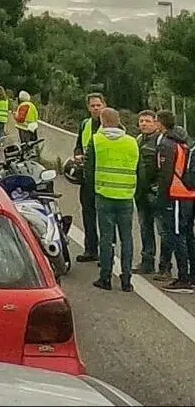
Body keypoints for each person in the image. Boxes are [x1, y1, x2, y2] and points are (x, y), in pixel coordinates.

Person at [85, 107, 138, 292]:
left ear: (102, 121)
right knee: (127, 238)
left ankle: (105, 278)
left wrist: (91, 193)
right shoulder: (132, 142)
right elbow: (139, 168)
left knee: (106, 238)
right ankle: (126, 280)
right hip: (125, 197)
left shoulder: (97, 140)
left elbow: (89, 169)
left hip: (104, 195)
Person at [156, 109, 195, 291]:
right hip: (188, 193)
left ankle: (184, 278)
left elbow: (165, 173)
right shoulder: (184, 140)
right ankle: (191, 275)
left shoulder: (167, 144)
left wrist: (161, 198)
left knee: (177, 235)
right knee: (187, 234)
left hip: (176, 194)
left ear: (161, 123)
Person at [74, 93, 107, 264]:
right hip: (87, 179)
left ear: (104, 106)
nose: (95, 108)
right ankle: (90, 249)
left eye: (98, 105)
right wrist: (77, 156)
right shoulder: (85, 124)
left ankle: (106, 253)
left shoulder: (111, 125)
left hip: (103, 179)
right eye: (93, 105)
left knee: (105, 218)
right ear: (88, 107)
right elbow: (78, 145)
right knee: (88, 215)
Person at [134, 110, 161, 275]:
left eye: (147, 121)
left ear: (155, 123)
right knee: (145, 227)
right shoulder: (137, 140)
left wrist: (156, 187)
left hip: (155, 192)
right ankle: (147, 261)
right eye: (141, 121)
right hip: (140, 192)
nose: (144, 124)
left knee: (163, 231)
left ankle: (165, 266)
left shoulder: (160, 141)